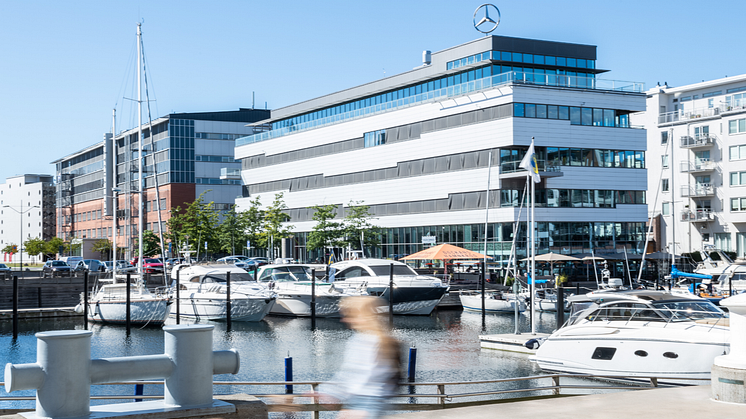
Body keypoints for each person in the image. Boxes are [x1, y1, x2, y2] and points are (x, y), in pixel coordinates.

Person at [315, 296, 401, 419]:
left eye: (349, 315)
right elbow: (349, 373)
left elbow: (370, 375)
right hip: (358, 399)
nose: (344, 319)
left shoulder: (377, 342)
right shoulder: (358, 339)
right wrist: (329, 392)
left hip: (371, 400)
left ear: (362, 315)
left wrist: (333, 393)